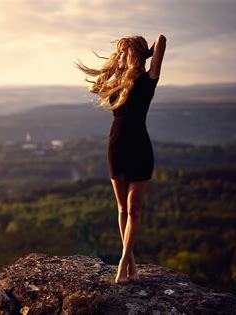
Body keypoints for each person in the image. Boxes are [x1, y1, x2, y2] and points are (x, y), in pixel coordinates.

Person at [74, 34, 167, 285]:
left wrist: (144, 53)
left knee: (134, 209)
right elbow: (95, 86)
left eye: (125, 52)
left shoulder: (149, 79)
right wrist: (118, 58)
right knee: (122, 209)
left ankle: (123, 264)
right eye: (120, 52)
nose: (122, 56)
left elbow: (161, 39)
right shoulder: (117, 83)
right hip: (116, 148)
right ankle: (132, 266)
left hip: (140, 149)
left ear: (135, 53)